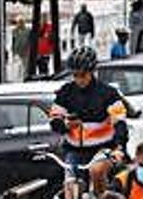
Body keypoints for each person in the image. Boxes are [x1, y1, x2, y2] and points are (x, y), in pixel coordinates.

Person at [49, 46, 128, 198]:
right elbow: (54, 120)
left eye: (82, 75)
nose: (79, 79)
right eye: (75, 75)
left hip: (102, 149)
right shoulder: (66, 92)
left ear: (92, 71)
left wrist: (119, 147)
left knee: (97, 172)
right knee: (70, 187)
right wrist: (65, 125)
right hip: (74, 151)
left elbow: (120, 123)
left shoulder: (108, 93)